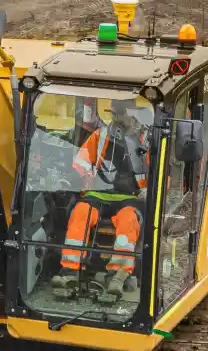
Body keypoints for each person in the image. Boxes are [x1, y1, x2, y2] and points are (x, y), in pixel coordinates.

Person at [50, 101, 150, 301]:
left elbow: (160, 171)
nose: (114, 119)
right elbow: (82, 161)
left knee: (129, 220)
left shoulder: (147, 140)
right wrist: (67, 180)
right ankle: (70, 271)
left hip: (131, 197)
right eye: (112, 115)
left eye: (118, 115)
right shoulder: (101, 135)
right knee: (80, 212)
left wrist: (151, 189)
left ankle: (118, 275)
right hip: (99, 193)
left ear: (130, 115)